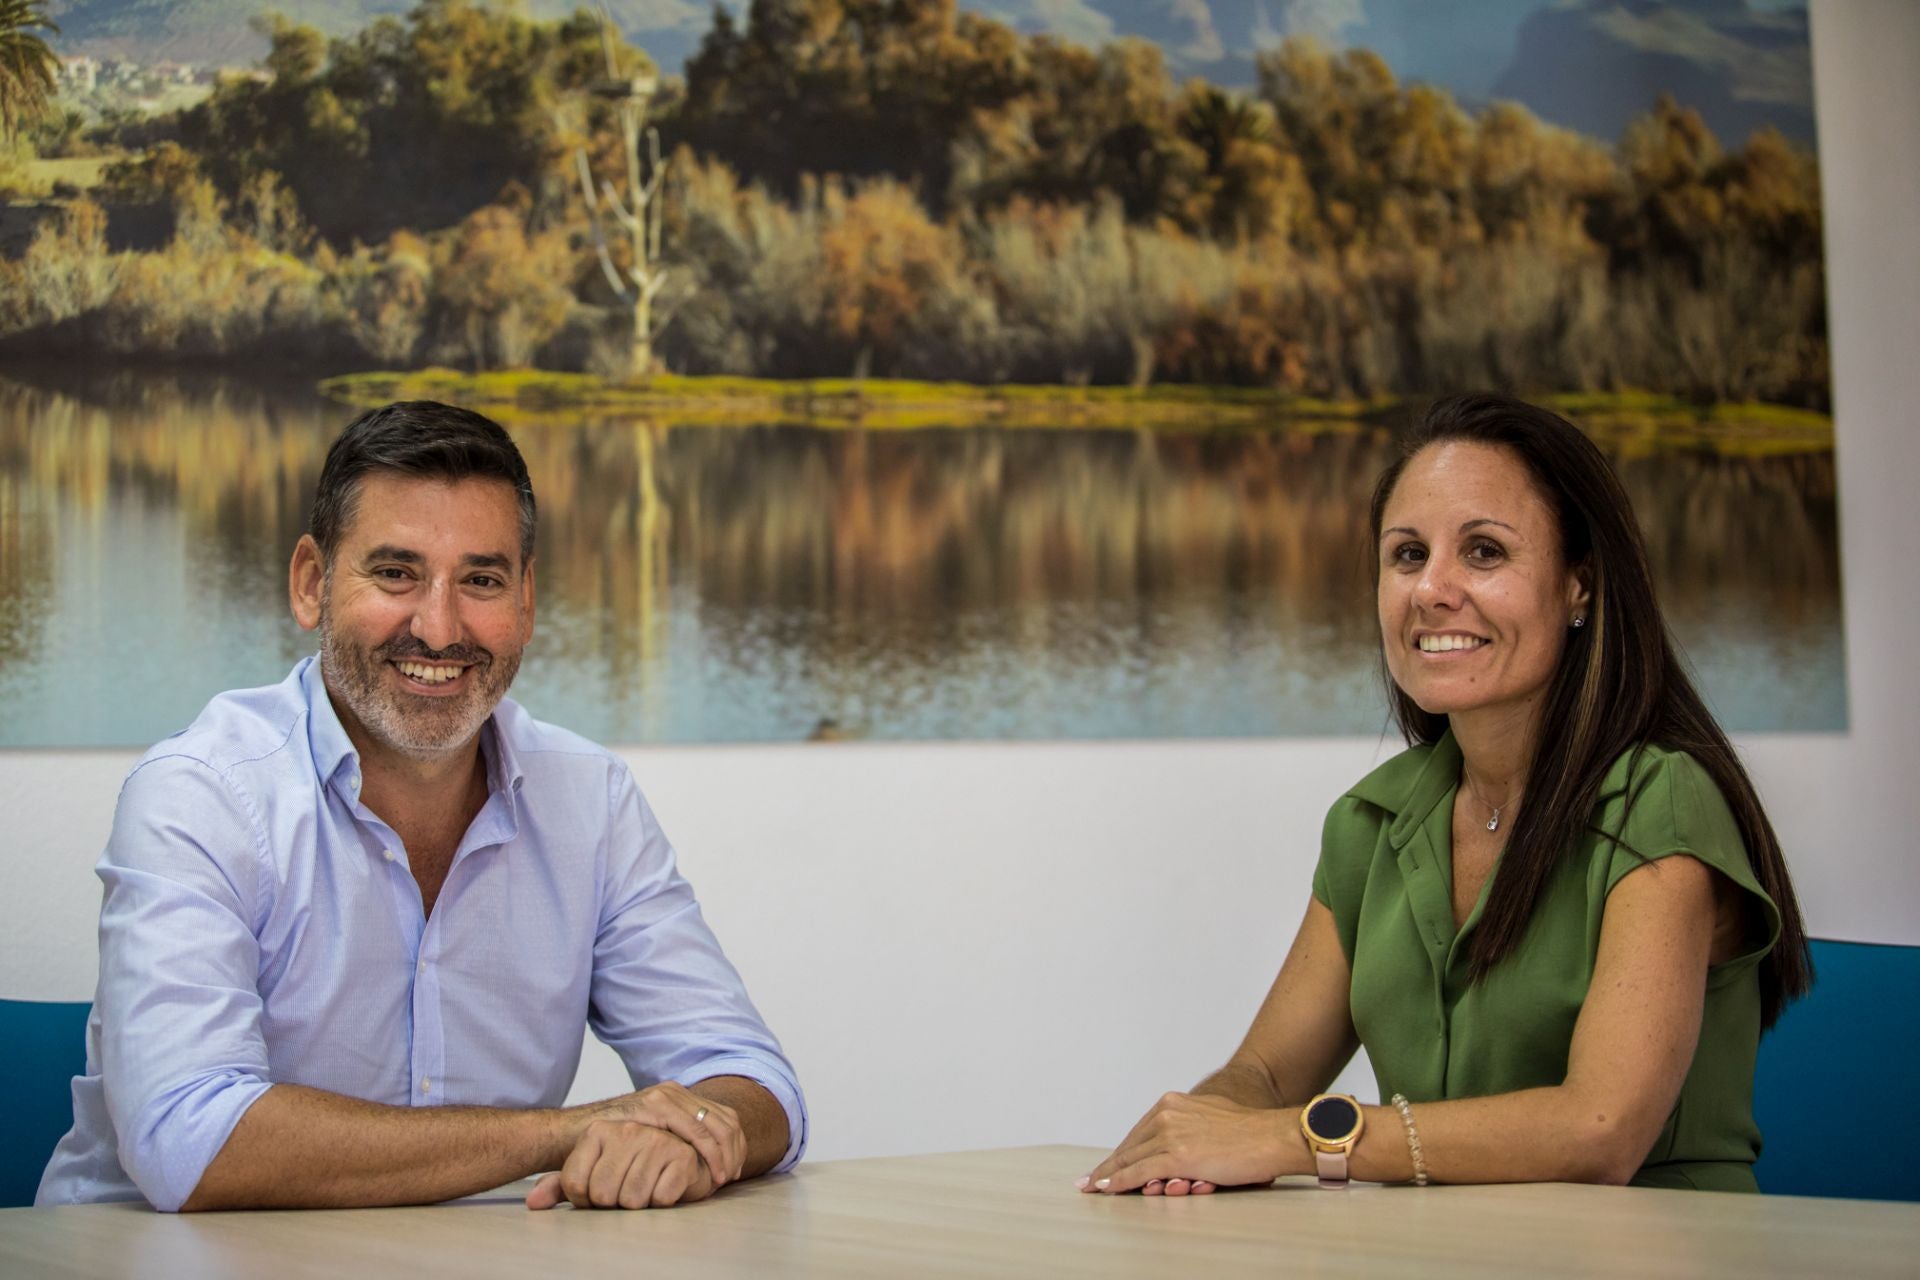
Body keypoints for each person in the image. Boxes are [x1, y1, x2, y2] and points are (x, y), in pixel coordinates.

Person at [37, 401, 805, 1213]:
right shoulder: (202, 794)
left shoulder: (591, 801)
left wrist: (687, 1139)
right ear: (311, 583)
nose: (439, 629)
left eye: (480, 581)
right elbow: (189, 1139)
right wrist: (569, 1132)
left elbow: (758, 1085)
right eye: (396, 573)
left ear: (527, 603)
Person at [1080, 392, 1809, 1196]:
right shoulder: (1371, 822)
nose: (1432, 589)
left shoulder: (1661, 803)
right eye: (1407, 555)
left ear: (1580, 586)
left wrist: (1298, 1139)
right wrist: (1194, 1145)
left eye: (1485, 552)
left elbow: (1598, 1132)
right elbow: (1264, 1073)